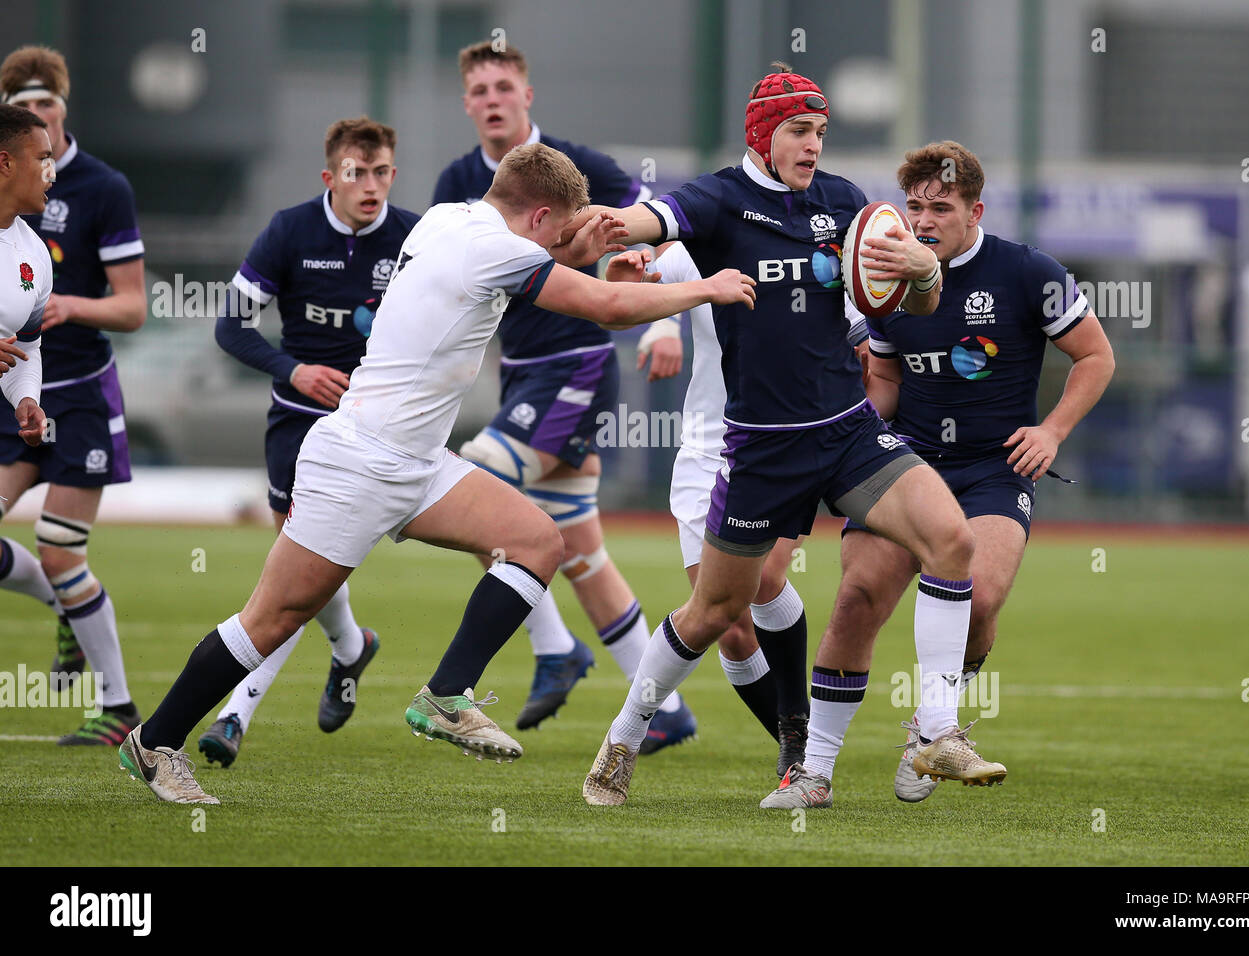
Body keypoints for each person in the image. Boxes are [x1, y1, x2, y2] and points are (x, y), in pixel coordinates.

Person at [117, 142, 756, 804]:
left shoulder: (446, 218)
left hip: (416, 461)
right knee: (273, 618)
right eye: (559, 227)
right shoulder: (499, 249)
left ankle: (446, 694)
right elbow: (607, 307)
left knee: (538, 540)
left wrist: (575, 256)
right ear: (540, 214)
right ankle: (156, 741)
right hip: (363, 459)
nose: (559, 238)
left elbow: (522, 275)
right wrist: (707, 287)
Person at [577, 64, 1003, 809]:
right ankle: (624, 734)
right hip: (761, 447)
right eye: (800, 132)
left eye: (820, 132)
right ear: (763, 134)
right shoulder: (719, 200)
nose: (813, 145)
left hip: (846, 433)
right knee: (716, 613)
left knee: (952, 540)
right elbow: (656, 222)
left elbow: (919, 299)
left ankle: (936, 728)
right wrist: (622, 230)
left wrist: (924, 269)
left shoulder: (844, 204)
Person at [774, 140, 1114, 806]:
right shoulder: (887, 280)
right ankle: (813, 773)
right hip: (903, 461)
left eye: (941, 207)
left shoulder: (1028, 272)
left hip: (993, 468)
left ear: (974, 210)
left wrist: (1052, 430)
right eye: (914, 207)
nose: (923, 221)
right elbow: (887, 386)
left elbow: (1096, 356)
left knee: (980, 602)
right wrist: (838, 435)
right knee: (857, 599)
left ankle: (927, 735)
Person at [432, 40, 695, 747]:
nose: (492, 98)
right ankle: (663, 711)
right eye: (479, 88)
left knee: (473, 487)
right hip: (521, 371)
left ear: (527, 94)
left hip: (574, 364)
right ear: (467, 104)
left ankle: (554, 650)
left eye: (503, 85)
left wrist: (662, 322)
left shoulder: (581, 168)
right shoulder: (458, 182)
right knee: (578, 547)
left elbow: (666, 236)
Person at [193, 117, 423, 768]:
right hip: (295, 423)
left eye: (381, 172)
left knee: (298, 572)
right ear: (331, 178)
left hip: (376, 431)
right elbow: (231, 327)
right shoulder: (290, 231)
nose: (370, 185)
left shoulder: (413, 239)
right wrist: (291, 368)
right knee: (300, 567)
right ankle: (350, 647)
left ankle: (236, 713)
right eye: (357, 173)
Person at [608, 241, 814, 777]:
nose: (811, 150)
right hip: (708, 452)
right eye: (797, 146)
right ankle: (802, 757)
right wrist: (651, 315)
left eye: (817, 146)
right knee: (730, 624)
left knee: (765, 578)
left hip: (785, 446)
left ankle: (806, 750)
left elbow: (867, 341)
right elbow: (625, 294)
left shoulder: (826, 235)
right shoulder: (698, 245)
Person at [0, 47, 147, 746]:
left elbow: (131, 307)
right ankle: (63, 609)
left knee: (60, 549)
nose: (41, 125)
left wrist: (65, 317)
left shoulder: (83, 203)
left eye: (46, 107)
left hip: (78, 397)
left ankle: (118, 708)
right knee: (56, 567)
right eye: (25, 113)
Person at [0, 104, 52, 460]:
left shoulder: (35, 253)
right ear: (5, 163)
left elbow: (27, 347)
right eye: (42, 159)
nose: (52, 172)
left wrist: (26, 397)